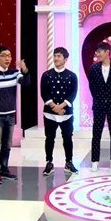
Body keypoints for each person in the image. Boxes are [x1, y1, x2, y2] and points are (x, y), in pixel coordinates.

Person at [0, 45, 30, 184]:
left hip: (10, 116)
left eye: (9, 56)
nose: (7, 58)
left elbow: (26, 83)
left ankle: (4, 169)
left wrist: (25, 70)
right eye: (4, 56)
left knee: (7, 145)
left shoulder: (14, 73)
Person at [40, 46, 78, 177]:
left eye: (59, 56)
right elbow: (44, 93)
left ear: (65, 59)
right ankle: (49, 162)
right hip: (49, 114)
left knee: (67, 138)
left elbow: (73, 93)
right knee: (49, 138)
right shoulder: (46, 75)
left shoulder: (72, 76)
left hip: (66, 113)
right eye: (55, 56)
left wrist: (61, 106)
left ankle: (69, 162)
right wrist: (54, 107)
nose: (56, 58)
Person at [88, 42, 111, 171]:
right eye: (97, 52)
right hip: (98, 104)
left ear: (107, 52)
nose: (97, 54)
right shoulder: (93, 68)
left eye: (99, 52)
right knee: (96, 133)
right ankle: (95, 161)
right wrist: (99, 98)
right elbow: (92, 86)